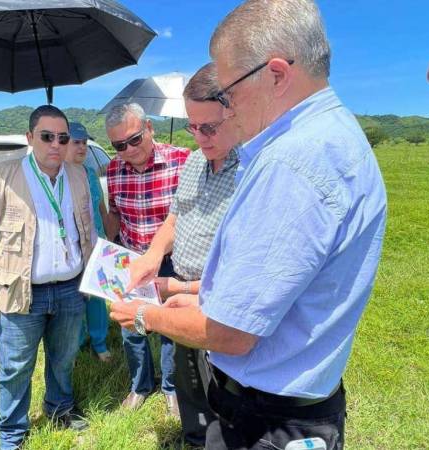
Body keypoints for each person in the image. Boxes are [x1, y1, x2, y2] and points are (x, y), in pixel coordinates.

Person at [110, 1, 387, 449]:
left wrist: (142, 313)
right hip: (294, 404)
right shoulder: (331, 137)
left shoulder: (290, 166)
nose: (229, 110)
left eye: (230, 93)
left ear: (276, 74)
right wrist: (178, 292)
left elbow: (231, 334)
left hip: (268, 419)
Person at [127, 62, 237, 447]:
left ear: (234, 112)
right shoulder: (193, 162)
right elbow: (175, 216)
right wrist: (153, 254)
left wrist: (178, 285)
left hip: (216, 302)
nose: (200, 137)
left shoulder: (252, 169)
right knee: (189, 380)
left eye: (210, 127)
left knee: (223, 392)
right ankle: (194, 437)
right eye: (193, 127)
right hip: (182, 292)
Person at [0, 105, 97, 449]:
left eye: (62, 137)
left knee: (64, 358)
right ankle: (12, 432)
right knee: (15, 367)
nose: (55, 144)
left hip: (71, 288)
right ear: (30, 138)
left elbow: (87, 232)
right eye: (47, 136)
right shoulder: (2, 176)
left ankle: (60, 409)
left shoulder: (77, 174)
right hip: (21, 292)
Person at [104, 102, 190, 415]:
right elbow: (115, 212)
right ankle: (140, 385)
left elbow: (189, 216)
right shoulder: (114, 169)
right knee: (131, 328)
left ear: (149, 128)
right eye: (119, 145)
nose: (128, 149)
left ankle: (171, 388)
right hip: (130, 258)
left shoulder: (182, 160)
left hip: (170, 261)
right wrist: (109, 247)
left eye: (135, 139)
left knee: (170, 327)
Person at [66, 121, 112, 362]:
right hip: (71, 249)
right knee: (73, 299)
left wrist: (107, 238)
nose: (82, 148)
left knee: (96, 297)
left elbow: (101, 207)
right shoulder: (58, 176)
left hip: (96, 246)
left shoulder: (90, 173)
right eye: (76, 142)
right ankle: (77, 340)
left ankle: (99, 342)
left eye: (84, 143)